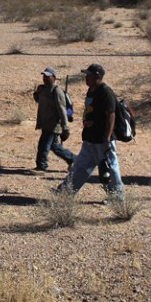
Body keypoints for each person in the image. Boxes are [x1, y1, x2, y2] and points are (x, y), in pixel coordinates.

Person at [55, 64, 125, 201]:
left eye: (89, 75)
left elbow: (111, 115)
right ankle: (66, 192)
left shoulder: (106, 92)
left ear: (97, 76)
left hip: (102, 139)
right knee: (81, 166)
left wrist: (107, 137)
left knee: (110, 167)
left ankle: (117, 198)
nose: (86, 77)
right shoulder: (91, 91)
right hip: (90, 137)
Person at [33, 66, 74, 173]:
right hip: (46, 122)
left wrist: (65, 128)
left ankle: (41, 166)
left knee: (43, 145)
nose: (45, 78)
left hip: (53, 124)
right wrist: (36, 93)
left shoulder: (57, 91)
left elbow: (62, 110)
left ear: (54, 77)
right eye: (44, 76)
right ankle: (74, 159)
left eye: (48, 76)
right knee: (54, 146)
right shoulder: (44, 89)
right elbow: (38, 100)